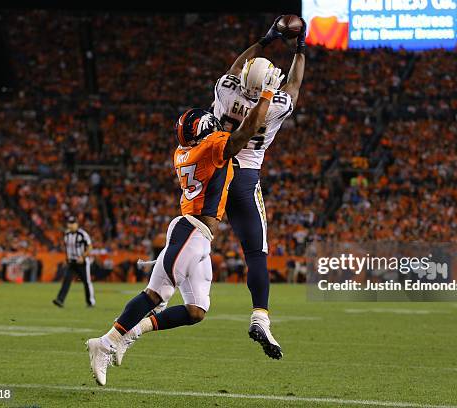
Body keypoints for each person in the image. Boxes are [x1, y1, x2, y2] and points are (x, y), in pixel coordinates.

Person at [85, 66, 282, 386]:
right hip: (191, 231)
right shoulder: (210, 147)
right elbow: (244, 136)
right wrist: (266, 96)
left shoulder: (185, 150)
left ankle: (128, 335)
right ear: (206, 130)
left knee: (195, 311)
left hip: (196, 235)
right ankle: (105, 343)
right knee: (155, 294)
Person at [213, 15, 307, 358]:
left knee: (193, 236)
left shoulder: (226, 90)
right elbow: (294, 85)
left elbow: (236, 67)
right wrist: (299, 47)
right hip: (245, 178)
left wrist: (266, 40)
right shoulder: (274, 107)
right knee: (255, 253)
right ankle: (260, 316)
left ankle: (157, 293)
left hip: (214, 169)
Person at [52, 215, 96, 307]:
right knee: (66, 280)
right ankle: (60, 300)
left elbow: (90, 247)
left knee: (86, 282)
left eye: (73, 223)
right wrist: (67, 258)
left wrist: (83, 257)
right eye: (69, 223)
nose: (71, 225)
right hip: (71, 262)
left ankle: (90, 302)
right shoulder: (67, 235)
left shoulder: (82, 234)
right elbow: (68, 248)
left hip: (82, 263)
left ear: (77, 224)